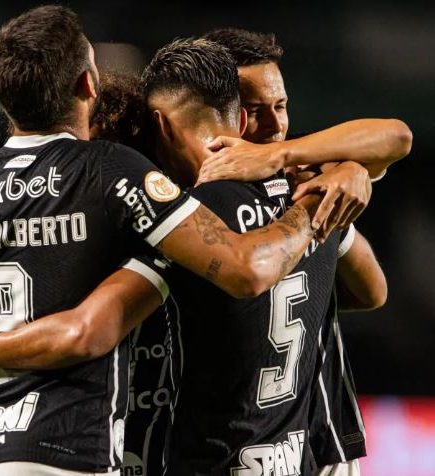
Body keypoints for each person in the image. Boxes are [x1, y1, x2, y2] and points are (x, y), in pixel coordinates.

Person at [0, 6, 331, 476]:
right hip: (66, 451)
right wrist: (313, 204)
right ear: (88, 84)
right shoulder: (110, 170)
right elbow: (245, 270)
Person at [200, 28, 411, 475]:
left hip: (317, 437)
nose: (274, 125)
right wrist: (341, 174)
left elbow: (397, 136)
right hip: (240, 443)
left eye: (280, 106)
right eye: (255, 110)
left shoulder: (301, 173)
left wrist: (299, 161)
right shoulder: (203, 196)